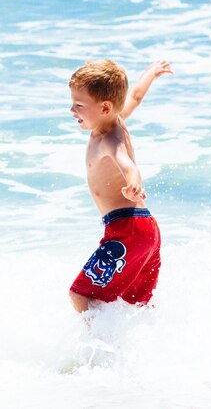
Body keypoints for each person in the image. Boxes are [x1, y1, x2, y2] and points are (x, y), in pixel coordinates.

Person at [68, 60, 172, 312]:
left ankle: (95, 348)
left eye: (79, 105)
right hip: (144, 229)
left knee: (80, 294)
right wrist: (150, 74)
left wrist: (134, 184)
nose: (72, 110)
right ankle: (140, 346)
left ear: (104, 107)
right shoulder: (114, 118)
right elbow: (134, 97)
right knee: (134, 306)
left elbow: (128, 166)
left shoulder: (108, 139)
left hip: (127, 229)